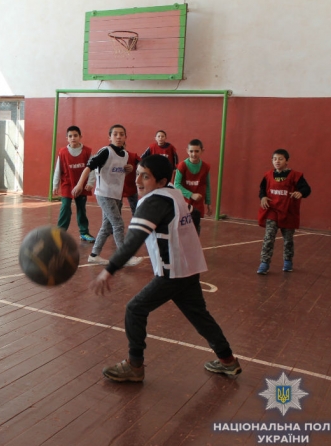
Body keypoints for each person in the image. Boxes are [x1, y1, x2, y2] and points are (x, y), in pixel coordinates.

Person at [92, 155, 241, 382]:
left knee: (135, 309)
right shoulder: (173, 192)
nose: (139, 181)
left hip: (173, 270)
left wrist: (109, 269)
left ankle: (134, 365)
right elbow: (192, 214)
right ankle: (228, 360)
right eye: (138, 173)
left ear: (161, 181)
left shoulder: (153, 202)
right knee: (199, 315)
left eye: (146, 176)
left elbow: (133, 240)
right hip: (189, 267)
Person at [73, 124, 139, 266]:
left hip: (116, 195)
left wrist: (129, 169)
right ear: (110, 137)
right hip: (104, 194)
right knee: (118, 224)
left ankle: (94, 255)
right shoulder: (105, 151)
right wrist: (79, 184)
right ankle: (124, 257)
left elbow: (117, 172)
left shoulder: (125, 155)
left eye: (121, 134)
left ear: (125, 137)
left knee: (107, 227)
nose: (118, 137)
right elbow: (88, 167)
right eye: (115, 134)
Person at [257, 149, 311, 274]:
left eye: (280, 159)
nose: (277, 161)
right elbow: (262, 190)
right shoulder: (267, 176)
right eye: (275, 159)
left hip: (288, 212)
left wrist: (300, 192)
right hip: (272, 211)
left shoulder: (296, 176)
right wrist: (263, 197)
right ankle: (264, 263)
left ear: (287, 161)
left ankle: (288, 261)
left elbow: (307, 189)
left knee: (288, 239)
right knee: (268, 237)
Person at [52, 125, 96, 242]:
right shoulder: (62, 152)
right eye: (70, 136)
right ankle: (60, 232)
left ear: (80, 137)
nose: (73, 138)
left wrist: (90, 183)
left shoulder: (87, 151)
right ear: (67, 138)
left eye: (75, 135)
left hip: (82, 185)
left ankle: (84, 233)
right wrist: (55, 185)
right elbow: (58, 170)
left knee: (81, 208)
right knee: (65, 207)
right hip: (67, 184)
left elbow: (92, 168)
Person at [174, 139, 212, 219]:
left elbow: (207, 185)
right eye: (191, 151)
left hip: (198, 204)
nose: (194, 154)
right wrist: (191, 195)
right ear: (187, 151)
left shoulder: (205, 167)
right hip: (184, 203)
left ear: (202, 151)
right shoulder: (182, 166)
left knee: (196, 227)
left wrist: (208, 202)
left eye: (197, 151)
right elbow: (176, 185)